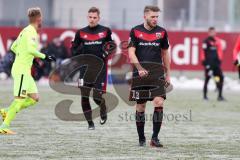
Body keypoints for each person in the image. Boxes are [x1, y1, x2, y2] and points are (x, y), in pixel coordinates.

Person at [0, 7, 55, 134]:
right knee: (19, 99)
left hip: (24, 70)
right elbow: (30, 49)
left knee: (34, 98)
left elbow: (13, 47)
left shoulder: (24, 30)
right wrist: (44, 57)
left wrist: (26, 57)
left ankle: (7, 111)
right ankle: (4, 126)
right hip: (22, 71)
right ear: (39, 19)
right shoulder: (32, 33)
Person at [128, 6, 171, 147]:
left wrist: (168, 74)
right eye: (152, 16)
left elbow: (165, 54)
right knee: (141, 106)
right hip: (140, 74)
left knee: (159, 102)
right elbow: (131, 53)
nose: (155, 19)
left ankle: (155, 138)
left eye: (157, 16)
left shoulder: (162, 32)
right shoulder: (135, 31)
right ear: (145, 16)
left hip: (157, 73)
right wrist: (139, 68)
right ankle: (141, 138)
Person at [71, 7, 114, 130]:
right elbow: (74, 49)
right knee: (84, 96)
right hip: (84, 69)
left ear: (98, 18)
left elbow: (111, 45)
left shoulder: (106, 31)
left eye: (95, 17)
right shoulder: (80, 32)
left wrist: (107, 52)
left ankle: (103, 108)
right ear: (87, 17)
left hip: (100, 68)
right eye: (90, 17)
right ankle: (90, 123)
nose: (92, 19)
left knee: (96, 96)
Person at [201, 27, 225, 101]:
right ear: (209, 32)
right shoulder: (205, 41)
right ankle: (205, 96)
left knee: (220, 77)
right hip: (209, 64)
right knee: (207, 79)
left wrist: (220, 60)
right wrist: (204, 62)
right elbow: (203, 52)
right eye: (211, 32)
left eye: (214, 32)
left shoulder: (218, 41)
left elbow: (220, 51)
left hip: (216, 64)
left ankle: (220, 96)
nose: (213, 33)